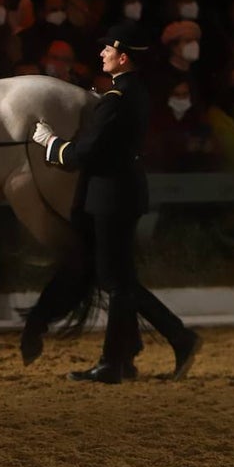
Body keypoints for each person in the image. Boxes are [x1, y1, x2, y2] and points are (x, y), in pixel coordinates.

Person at [30, 20, 201, 383]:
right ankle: (151, 347)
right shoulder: (129, 94)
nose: (102, 54)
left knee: (115, 280)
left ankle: (122, 358)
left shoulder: (117, 99)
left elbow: (86, 152)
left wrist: (49, 143)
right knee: (121, 280)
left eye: (108, 50)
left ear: (123, 57)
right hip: (120, 193)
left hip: (111, 195)